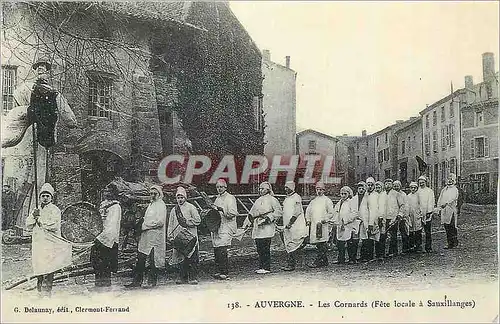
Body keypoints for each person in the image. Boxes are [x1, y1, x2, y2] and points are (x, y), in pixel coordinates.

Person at [25, 183, 71, 297]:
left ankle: (47, 289)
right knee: (39, 264)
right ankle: (40, 287)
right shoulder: (36, 209)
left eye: (47, 196)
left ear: (51, 198)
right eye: (43, 196)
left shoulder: (55, 210)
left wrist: (40, 220)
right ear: (40, 197)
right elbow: (28, 225)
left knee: (49, 265)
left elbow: (54, 225)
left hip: (50, 243)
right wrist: (33, 217)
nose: (45, 198)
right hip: (38, 242)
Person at [125, 185, 167, 288]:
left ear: (159, 194)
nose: (152, 195)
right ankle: (137, 281)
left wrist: (145, 226)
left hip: (155, 236)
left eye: (154, 194)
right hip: (146, 236)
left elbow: (160, 222)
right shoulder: (151, 205)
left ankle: (151, 281)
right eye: (151, 193)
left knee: (153, 259)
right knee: (141, 257)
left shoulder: (161, 205)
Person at [244, 182, 282, 274]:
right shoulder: (258, 200)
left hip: (267, 226)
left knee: (265, 247)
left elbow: (279, 212)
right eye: (260, 189)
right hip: (258, 225)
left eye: (263, 189)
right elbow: (251, 213)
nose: (260, 190)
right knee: (259, 247)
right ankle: (261, 266)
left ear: (268, 190)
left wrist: (268, 218)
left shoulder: (272, 200)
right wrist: (246, 223)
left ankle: (266, 267)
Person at [167, 187, 201, 284]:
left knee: (192, 257)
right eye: (178, 198)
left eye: (182, 197)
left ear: (185, 198)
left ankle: (193, 277)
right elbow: (171, 223)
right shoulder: (174, 210)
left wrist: (187, 223)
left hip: (190, 236)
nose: (180, 199)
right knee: (181, 258)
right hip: (179, 237)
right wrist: (170, 236)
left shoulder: (191, 207)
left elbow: (198, 220)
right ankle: (183, 277)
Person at [91, 186, 122, 288]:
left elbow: (112, 225)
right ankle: (98, 285)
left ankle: (105, 287)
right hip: (99, 237)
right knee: (97, 264)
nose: (106, 193)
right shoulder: (103, 204)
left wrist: (102, 237)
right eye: (105, 191)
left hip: (108, 240)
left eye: (109, 191)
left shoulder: (115, 207)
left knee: (105, 265)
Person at [211, 179, 238, 280]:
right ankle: (218, 270)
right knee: (216, 248)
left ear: (225, 187)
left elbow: (232, 213)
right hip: (218, 225)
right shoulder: (217, 199)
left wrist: (222, 210)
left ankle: (224, 272)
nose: (219, 189)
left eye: (221, 187)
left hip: (227, 225)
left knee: (222, 248)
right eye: (217, 187)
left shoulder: (230, 198)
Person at [305, 182, 335, 268]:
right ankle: (324, 260)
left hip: (323, 224)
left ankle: (319, 261)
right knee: (318, 243)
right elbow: (308, 211)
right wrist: (308, 220)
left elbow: (331, 213)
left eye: (321, 189)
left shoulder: (327, 200)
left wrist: (325, 219)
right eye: (318, 189)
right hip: (315, 224)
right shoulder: (313, 201)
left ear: (324, 190)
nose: (319, 191)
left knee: (322, 242)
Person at [280, 181, 308, 271]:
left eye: (287, 187)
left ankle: (292, 264)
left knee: (295, 243)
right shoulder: (287, 198)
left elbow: (297, 212)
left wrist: (290, 223)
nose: (285, 189)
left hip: (296, 225)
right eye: (285, 187)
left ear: (292, 188)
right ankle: (292, 263)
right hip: (288, 225)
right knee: (289, 243)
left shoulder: (296, 197)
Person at [379, 179, 405, 257]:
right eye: (386, 184)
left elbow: (402, 205)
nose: (388, 185)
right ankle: (381, 253)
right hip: (383, 217)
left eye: (389, 184)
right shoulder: (382, 194)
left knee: (393, 235)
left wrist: (400, 214)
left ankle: (393, 251)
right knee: (382, 235)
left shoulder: (396, 194)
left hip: (393, 217)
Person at [334, 186, 357, 264]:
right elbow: (336, 212)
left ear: (349, 194)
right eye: (342, 194)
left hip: (348, 225)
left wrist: (346, 220)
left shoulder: (351, 202)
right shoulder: (339, 203)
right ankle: (341, 258)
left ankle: (352, 258)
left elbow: (354, 213)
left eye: (345, 194)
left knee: (350, 242)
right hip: (340, 225)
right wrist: (337, 220)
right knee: (340, 242)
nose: (343, 195)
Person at [358, 177, 380, 262]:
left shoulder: (375, 195)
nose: (370, 187)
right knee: (364, 238)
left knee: (370, 238)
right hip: (364, 220)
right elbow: (363, 208)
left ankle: (369, 256)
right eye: (368, 185)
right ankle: (363, 256)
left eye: (371, 185)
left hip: (372, 220)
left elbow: (374, 210)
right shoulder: (365, 195)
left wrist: (371, 223)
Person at [437, 173, 459, 249]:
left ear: (454, 181)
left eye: (452, 180)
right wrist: (439, 207)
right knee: (446, 226)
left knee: (452, 226)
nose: (450, 181)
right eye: (449, 179)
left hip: (451, 209)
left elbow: (453, 198)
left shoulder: (455, 189)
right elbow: (440, 198)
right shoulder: (444, 190)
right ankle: (449, 242)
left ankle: (454, 243)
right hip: (444, 210)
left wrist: (446, 203)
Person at [417, 175, 436, 253]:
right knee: (418, 231)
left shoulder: (429, 191)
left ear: (425, 182)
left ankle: (428, 247)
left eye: (423, 182)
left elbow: (431, 202)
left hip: (427, 212)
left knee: (427, 231)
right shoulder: (417, 191)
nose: (421, 184)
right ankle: (419, 247)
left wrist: (429, 211)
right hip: (419, 213)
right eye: (420, 183)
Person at [393, 180, 410, 254]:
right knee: (394, 233)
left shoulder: (403, 195)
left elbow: (405, 206)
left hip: (402, 217)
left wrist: (403, 215)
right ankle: (394, 250)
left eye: (397, 186)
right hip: (394, 217)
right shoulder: (392, 194)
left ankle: (405, 248)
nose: (396, 187)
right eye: (395, 186)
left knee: (403, 232)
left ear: (400, 186)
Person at [406, 182, 423, 253]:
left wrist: (421, 214)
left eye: (414, 188)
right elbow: (407, 206)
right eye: (411, 188)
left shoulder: (419, 195)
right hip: (410, 215)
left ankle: (418, 245)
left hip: (417, 215)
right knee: (411, 230)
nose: (413, 189)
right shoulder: (408, 196)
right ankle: (411, 245)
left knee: (418, 230)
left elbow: (421, 205)